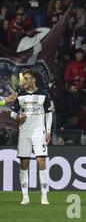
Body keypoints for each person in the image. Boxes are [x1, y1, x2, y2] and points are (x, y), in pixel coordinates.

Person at [10, 70, 52, 205]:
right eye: (23, 79)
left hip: (39, 131)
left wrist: (48, 131)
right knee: (24, 164)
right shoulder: (20, 95)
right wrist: (18, 117)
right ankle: (25, 197)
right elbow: (12, 114)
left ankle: (44, 197)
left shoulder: (44, 94)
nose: (23, 81)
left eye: (26, 78)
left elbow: (48, 114)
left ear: (33, 80)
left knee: (41, 162)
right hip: (24, 132)